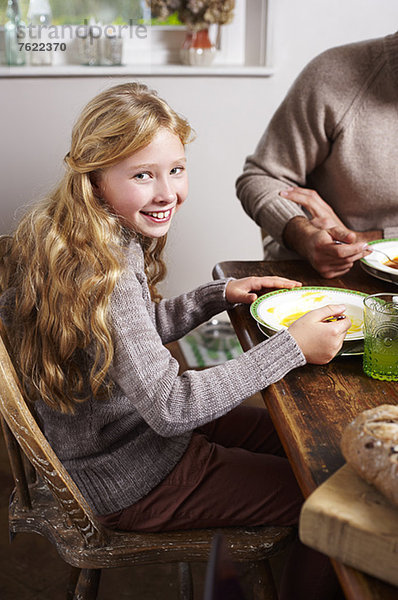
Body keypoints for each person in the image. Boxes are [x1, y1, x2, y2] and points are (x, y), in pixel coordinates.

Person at [0, 83, 348, 599]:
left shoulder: (79, 234)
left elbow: (121, 345)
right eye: (143, 175)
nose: (167, 192)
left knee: (316, 447)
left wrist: (215, 296)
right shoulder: (107, 269)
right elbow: (170, 406)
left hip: (125, 441)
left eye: (176, 169)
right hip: (132, 474)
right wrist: (291, 347)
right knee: (330, 499)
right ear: (95, 180)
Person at [236, 31, 398, 279]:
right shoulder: (333, 74)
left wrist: (369, 240)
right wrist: (303, 235)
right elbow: (261, 177)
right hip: (323, 278)